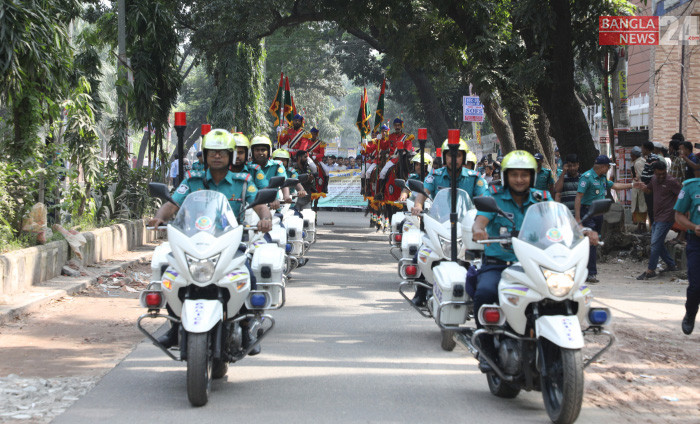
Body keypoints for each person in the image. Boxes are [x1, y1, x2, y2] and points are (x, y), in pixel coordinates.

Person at [471, 150, 600, 372]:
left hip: (537, 264)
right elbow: (480, 221)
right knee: (485, 292)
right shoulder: (494, 197)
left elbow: (564, 225)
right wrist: (478, 230)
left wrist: (584, 231)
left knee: (569, 292)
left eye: (524, 175)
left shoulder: (543, 198)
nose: (519, 179)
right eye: (514, 175)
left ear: (532, 176)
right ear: (506, 176)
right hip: (501, 264)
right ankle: (486, 350)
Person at [148, 129, 272, 350]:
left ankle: (245, 330)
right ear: (204, 155)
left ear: (231, 156)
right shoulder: (192, 180)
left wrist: (265, 218)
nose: (217, 157)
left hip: (231, 243)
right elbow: (173, 203)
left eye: (222, 153)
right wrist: (159, 217)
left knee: (248, 277)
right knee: (170, 275)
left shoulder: (243, 181)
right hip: (192, 243)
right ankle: (175, 328)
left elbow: (260, 204)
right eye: (212, 152)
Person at [407, 139, 488, 306]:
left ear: (463, 158)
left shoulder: (475, 178)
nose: (453, 159)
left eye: (457, 155)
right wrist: (417, 205)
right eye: (450, 155)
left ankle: (476, 294)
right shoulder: (435, 175)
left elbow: (484, 198)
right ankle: (421, 291)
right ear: (444, 157)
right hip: (439, 226)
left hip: (465, 228)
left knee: (480, 260)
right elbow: (424, 191)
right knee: (420, 255)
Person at [575, 155, 642, 283]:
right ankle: (590, 273)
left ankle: (589, 272)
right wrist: (578, 218)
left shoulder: (602, 178)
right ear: (602, 166)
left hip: (599, 214)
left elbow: (614, 186)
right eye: (607, 167)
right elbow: (578, 197)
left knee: (594, 241)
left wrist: (633, 185)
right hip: (587, 212)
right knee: (590, 242)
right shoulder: (587, 177)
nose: (608, 170)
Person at [637, 161, 680, 280]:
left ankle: (651, 270)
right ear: (654, 172)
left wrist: (680, 212)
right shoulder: (654, 179)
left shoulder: (671, 181)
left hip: (667, 217)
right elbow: (649, 190)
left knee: (655, 243)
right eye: (658, 174)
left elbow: (682, 195)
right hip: (657, 216)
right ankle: (671, 265)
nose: (661, 176)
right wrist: (643, 187)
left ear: (666, 171)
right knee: (658, 243)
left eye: (663, 173)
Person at [673, 172, 700, 335]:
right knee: (696, 285)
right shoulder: (691, 187)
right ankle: (690, 313)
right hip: (696, 242)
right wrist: (693, 227)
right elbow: (678, 215)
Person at [250, 135, 292, 208]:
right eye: (257, 150)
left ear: (269, 151)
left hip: (272, 206)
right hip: (250, 207)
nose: (260, 152)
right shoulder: (247, 167)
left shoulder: (277, 165)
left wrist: (286, 196)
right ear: (252, 152)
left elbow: (283, 182)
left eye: (263, 150)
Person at [377, 118, 415, 184]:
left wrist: (403, 153)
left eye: (398, 125)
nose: (397, 127)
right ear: (394, 126)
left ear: (401, 126)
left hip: (402, 158)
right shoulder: (390, 136)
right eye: (395, 125)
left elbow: (408, 148)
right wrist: (380, 139)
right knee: (382, 173)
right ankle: (381, 192)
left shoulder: (406, 137)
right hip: (392, 159)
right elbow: (384, 147)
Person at [640, 141, 660, 225]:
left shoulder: (653, 158)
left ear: (647, 149)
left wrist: (649, 185)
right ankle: (653, 228)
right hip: (647, 186)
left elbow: (655, 173)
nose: (641, 150)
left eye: (642, 148)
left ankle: (654, 228)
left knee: (652, 209)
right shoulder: (649, 157)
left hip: (651, 187)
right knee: (650, 208)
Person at [630, 146, 648, 232]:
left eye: (631, 154)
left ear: (634, 155)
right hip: (639, 187)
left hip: (640, 188)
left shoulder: (638, 163)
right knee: (639, 207)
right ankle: (640, 225)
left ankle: (642, 225)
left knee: (641, 207)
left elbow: (641, 176)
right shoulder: (639, 161)